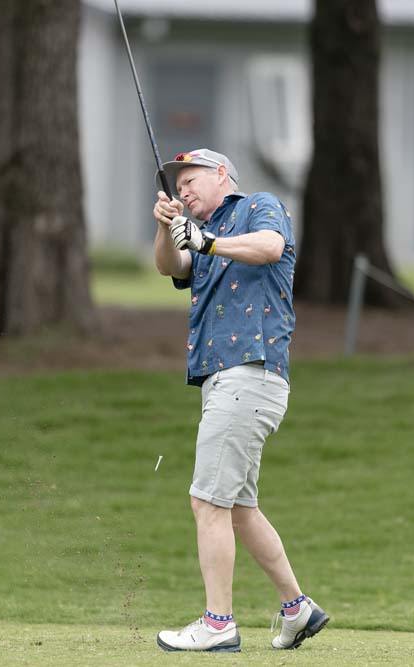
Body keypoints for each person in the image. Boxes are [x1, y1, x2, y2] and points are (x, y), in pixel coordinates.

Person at [151, 148, 329, 652]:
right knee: (238, 508)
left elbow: (270, 246)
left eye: (191, 180)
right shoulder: (202, 233)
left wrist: (207, 240)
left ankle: (218, 624)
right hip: (227, 379)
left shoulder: (258, 206)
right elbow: (171, 266)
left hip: (248, 370)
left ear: (222, 174)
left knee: (207, 500)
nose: (184, 190)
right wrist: (167, 228)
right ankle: (297, 609)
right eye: (177, 186)